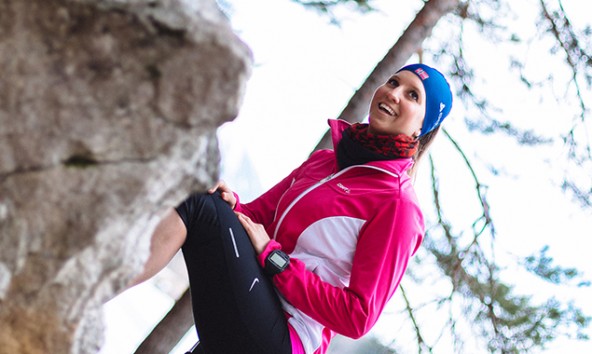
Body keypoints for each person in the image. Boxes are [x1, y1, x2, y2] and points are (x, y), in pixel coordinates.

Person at [130, 63, 453, 354]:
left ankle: (88, 290)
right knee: (206, 198)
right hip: (254, 303)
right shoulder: (325, 162)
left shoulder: (398, 205)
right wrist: (232, 204)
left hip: (288, 336)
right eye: (393, 82)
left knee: (198, 207)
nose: (394, 93)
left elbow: (358, 317)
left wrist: (277, 262)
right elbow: (256, 220)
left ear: (421, 128)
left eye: (412, 95)